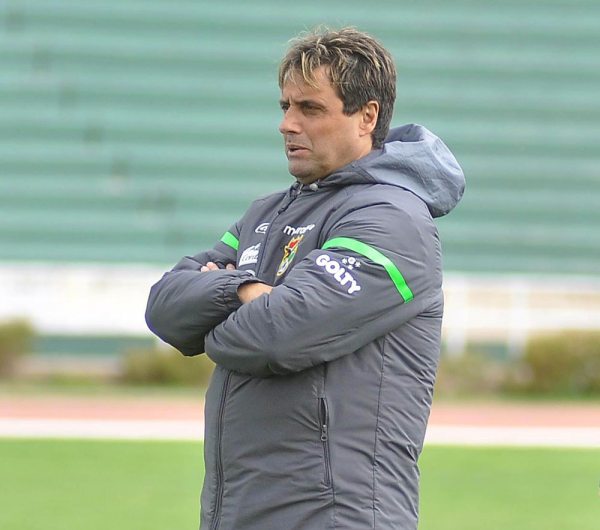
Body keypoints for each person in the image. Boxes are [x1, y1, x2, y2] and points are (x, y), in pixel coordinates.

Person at [146, 27, 465, 530]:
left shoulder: (393, 220)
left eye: (310, 108)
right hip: (241, 512)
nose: (287, 124)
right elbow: (165, 308)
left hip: (335, 516)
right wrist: (243, 290)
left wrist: (217, 315)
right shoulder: (267, 213)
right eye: (285, 106)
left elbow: (274, 336)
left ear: (367, 116)